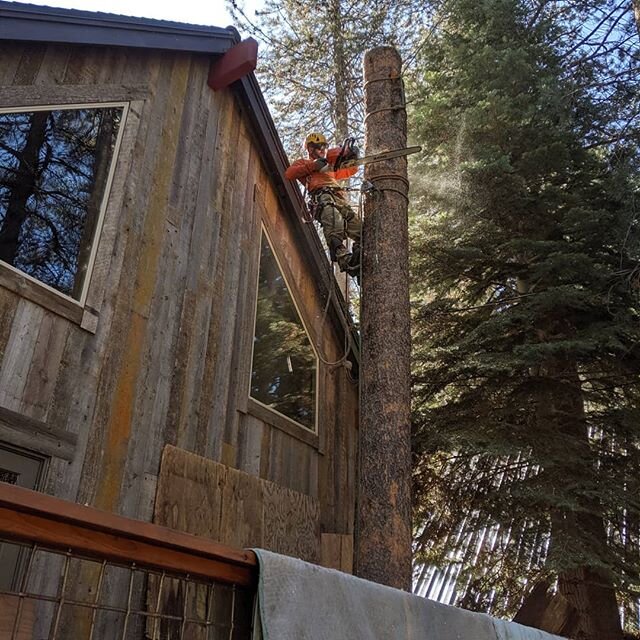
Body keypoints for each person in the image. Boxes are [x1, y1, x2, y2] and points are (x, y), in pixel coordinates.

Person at [285, 132, 361, 278]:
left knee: (358, 227)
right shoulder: (305, 163)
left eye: (324, 146)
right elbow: (289, 174)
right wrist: (312, 166)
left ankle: (360, 252)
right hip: (323, 197)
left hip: (339, 199)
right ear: (310, 149)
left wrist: (352, 157)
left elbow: (350, 170)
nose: (322, 149)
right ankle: (346, 260)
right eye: (318, 147)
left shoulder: (329, 166)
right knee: (334, 224)